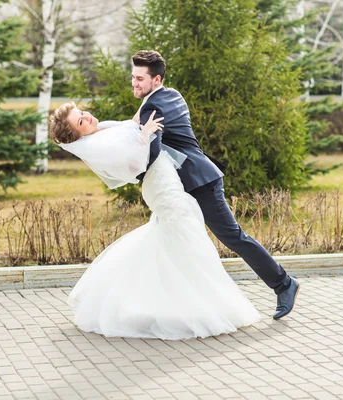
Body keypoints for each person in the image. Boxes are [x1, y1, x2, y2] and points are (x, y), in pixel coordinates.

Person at [48, 103, 260, 340]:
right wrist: (147, 134)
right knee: (187, 242)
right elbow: (134, 166)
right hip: (162, 187)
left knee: (175, 243)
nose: (87, 117)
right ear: (78, 136)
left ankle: (179, 307)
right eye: (80, 122)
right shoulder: (99, 144)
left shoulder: (102, 131)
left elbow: (131, 125)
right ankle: (203, 310)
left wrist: (150, 99)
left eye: (82, 113)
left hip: (165, 181)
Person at [130, 50, 299, 320]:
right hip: (183, 184)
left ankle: (284, 284)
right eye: (133, 77)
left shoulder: (154, 106)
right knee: (166, 241)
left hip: (199, 182)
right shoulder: (171, 94)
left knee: (232, 236)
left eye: (140, 78)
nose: (135, 83)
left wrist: (132, 171)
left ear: (156, 79)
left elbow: (152, 151)